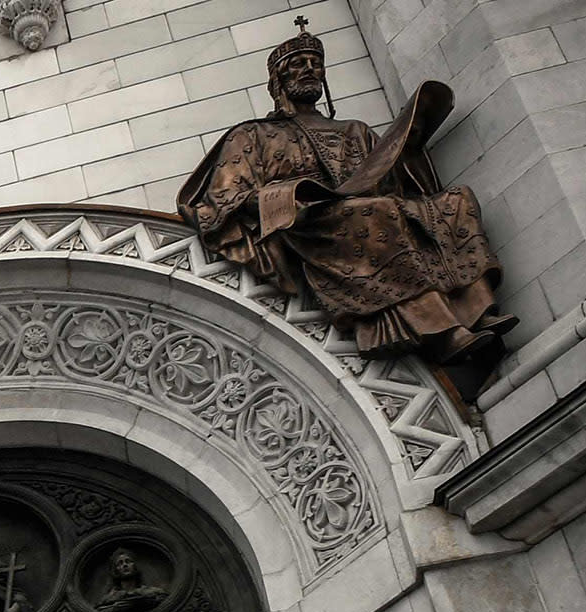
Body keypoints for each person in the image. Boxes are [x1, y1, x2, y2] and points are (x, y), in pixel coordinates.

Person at [178, 20, 510, 369]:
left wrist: (408, 148)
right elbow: (225, 197)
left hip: (365, 209)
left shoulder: (355, 130)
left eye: (315, 63)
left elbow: (392, 186)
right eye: (297, 64)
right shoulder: (251, 135)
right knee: (374, 212)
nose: (309, 70)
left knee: (455, 201)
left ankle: (475, 311)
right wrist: (287, 196)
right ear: (277, 80)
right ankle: (441, 329)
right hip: (309, 220)